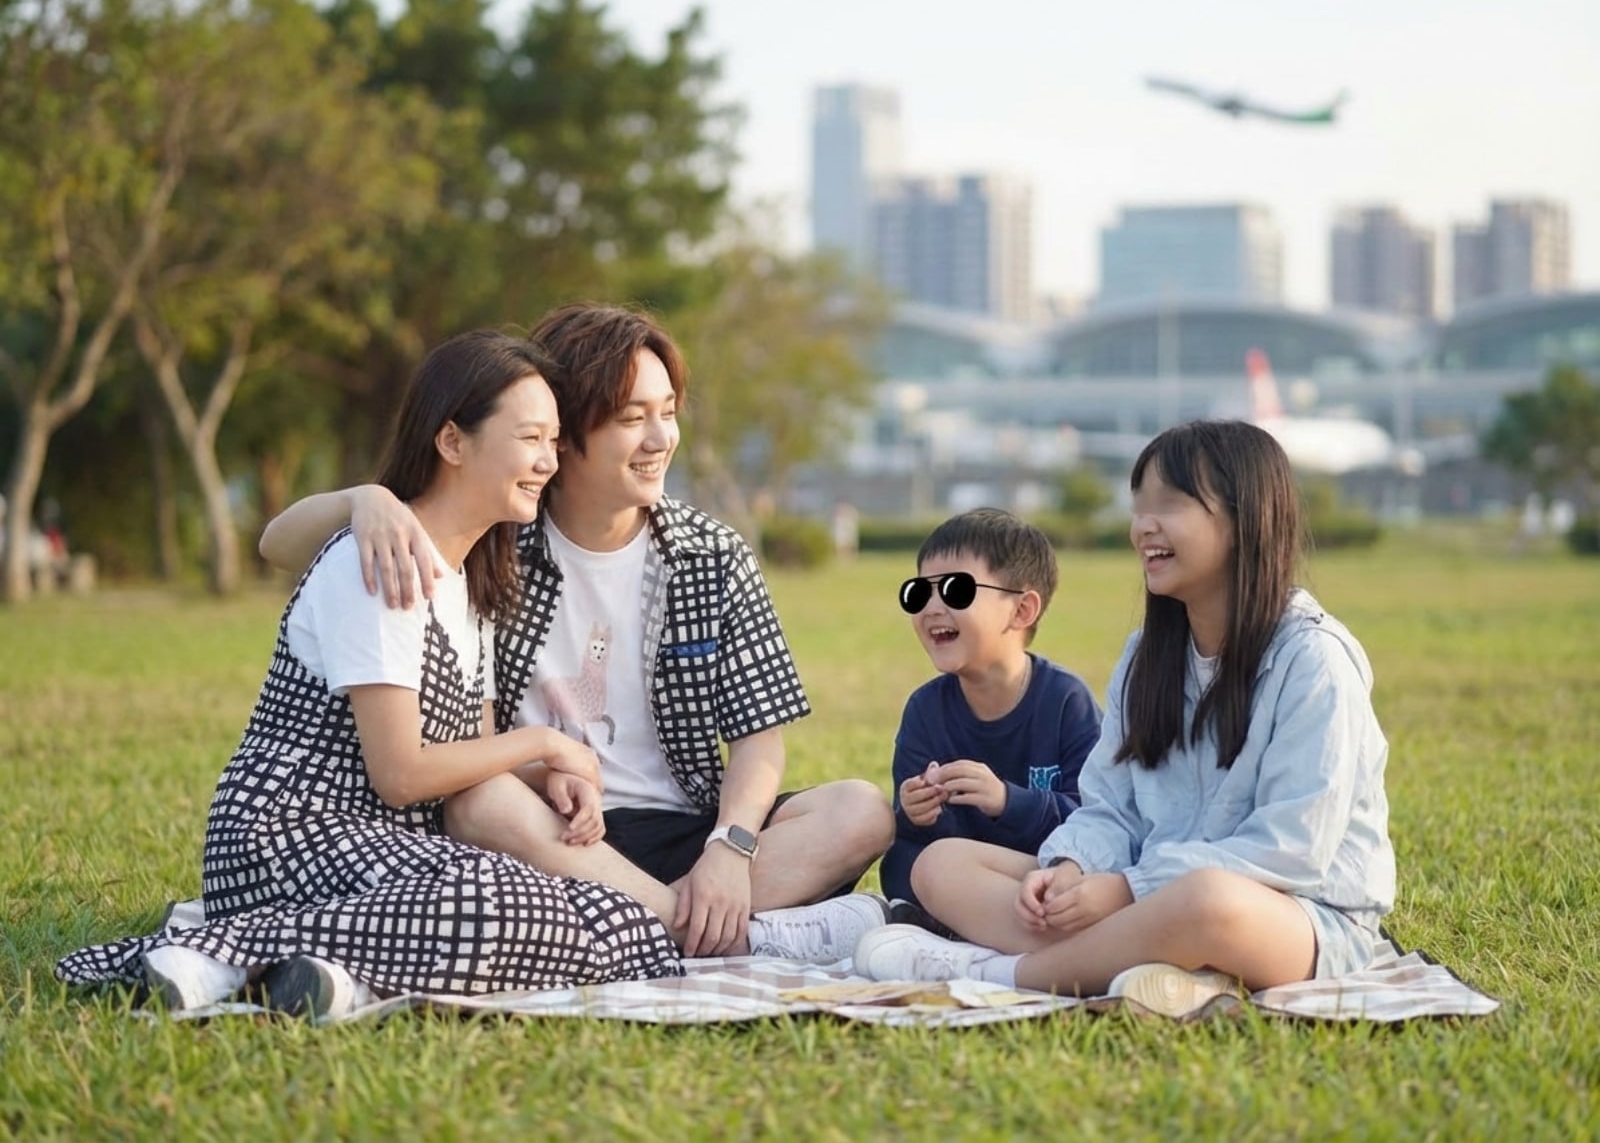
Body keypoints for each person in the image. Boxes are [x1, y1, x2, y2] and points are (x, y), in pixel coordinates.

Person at [56, 330, 685, 1016]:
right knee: (504, 902)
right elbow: (403, 773)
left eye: (554, 440)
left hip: (387, 846)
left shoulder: (473, 583)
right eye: (531, 437)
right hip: (289, 830)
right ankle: (215, 946)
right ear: (452, 441)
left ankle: (328, 974)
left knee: (621, 922)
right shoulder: (382, 563)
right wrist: (548, 743)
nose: (547, 460)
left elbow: (468, 759)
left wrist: (554, 777)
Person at [260, 304, 895, 961]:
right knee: (478, 802)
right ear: (564, 433)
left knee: (860, 809)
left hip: (690, 829)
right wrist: (366, 498)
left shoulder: (713, 554)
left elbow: (760, 742)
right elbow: (280, 547)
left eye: (668, 411)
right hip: (543, 826)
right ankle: (703, 932)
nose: (660, 439)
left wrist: (728, 849)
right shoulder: (494, 538)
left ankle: (659, 923)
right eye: (630, 419)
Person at [852, 420, 1396, 1017]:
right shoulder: (1147, 656)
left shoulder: (1312, 659)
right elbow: (1109, 807)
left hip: (1298, 915)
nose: (1144, 527)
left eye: (1171, 505)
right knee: (941, 866)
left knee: (1207, 903)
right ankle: (1155, 973)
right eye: (1139, 507)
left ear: (1246, 521)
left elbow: (1292, 850)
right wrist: (1071, 867)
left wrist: (1128, 889)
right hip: (1138, 891)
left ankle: (1002, 974)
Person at [880, 509, 1101, 922]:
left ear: (1021, 611)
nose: (931, 608)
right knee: (903, 864)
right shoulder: (925, 710)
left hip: (1040, 877)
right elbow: (912, 846)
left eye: (955, 591)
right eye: (918, 593)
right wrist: (915, 813)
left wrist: (1006, 801)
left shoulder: (1066, 703)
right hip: (954, 877)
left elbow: (1097, 824)